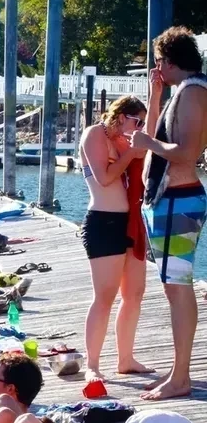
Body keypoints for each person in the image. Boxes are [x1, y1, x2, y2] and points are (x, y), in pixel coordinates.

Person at [129, 26, 207, 400]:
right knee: (172, 288)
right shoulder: (180, 92)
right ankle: (178, 374)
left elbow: (186, 152)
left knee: (179, 289)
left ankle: (181, 377)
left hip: (180, 199)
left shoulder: (193, 92)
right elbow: (154, 137)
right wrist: (154, 95)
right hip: (166, 200)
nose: (156, 68)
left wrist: (147, 143)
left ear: (171, 60)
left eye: (159, 61)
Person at [79, 96, 153, 383]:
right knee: (105, 296)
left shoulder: (125, 141)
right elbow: (105, 177)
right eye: (137, 121)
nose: (140, 127)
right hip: (103, 221)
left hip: (131, 222)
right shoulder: (95, 134)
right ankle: (93, 363)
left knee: (134, 293)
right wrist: (131, 155)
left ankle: (126, 358)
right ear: (121, 116)